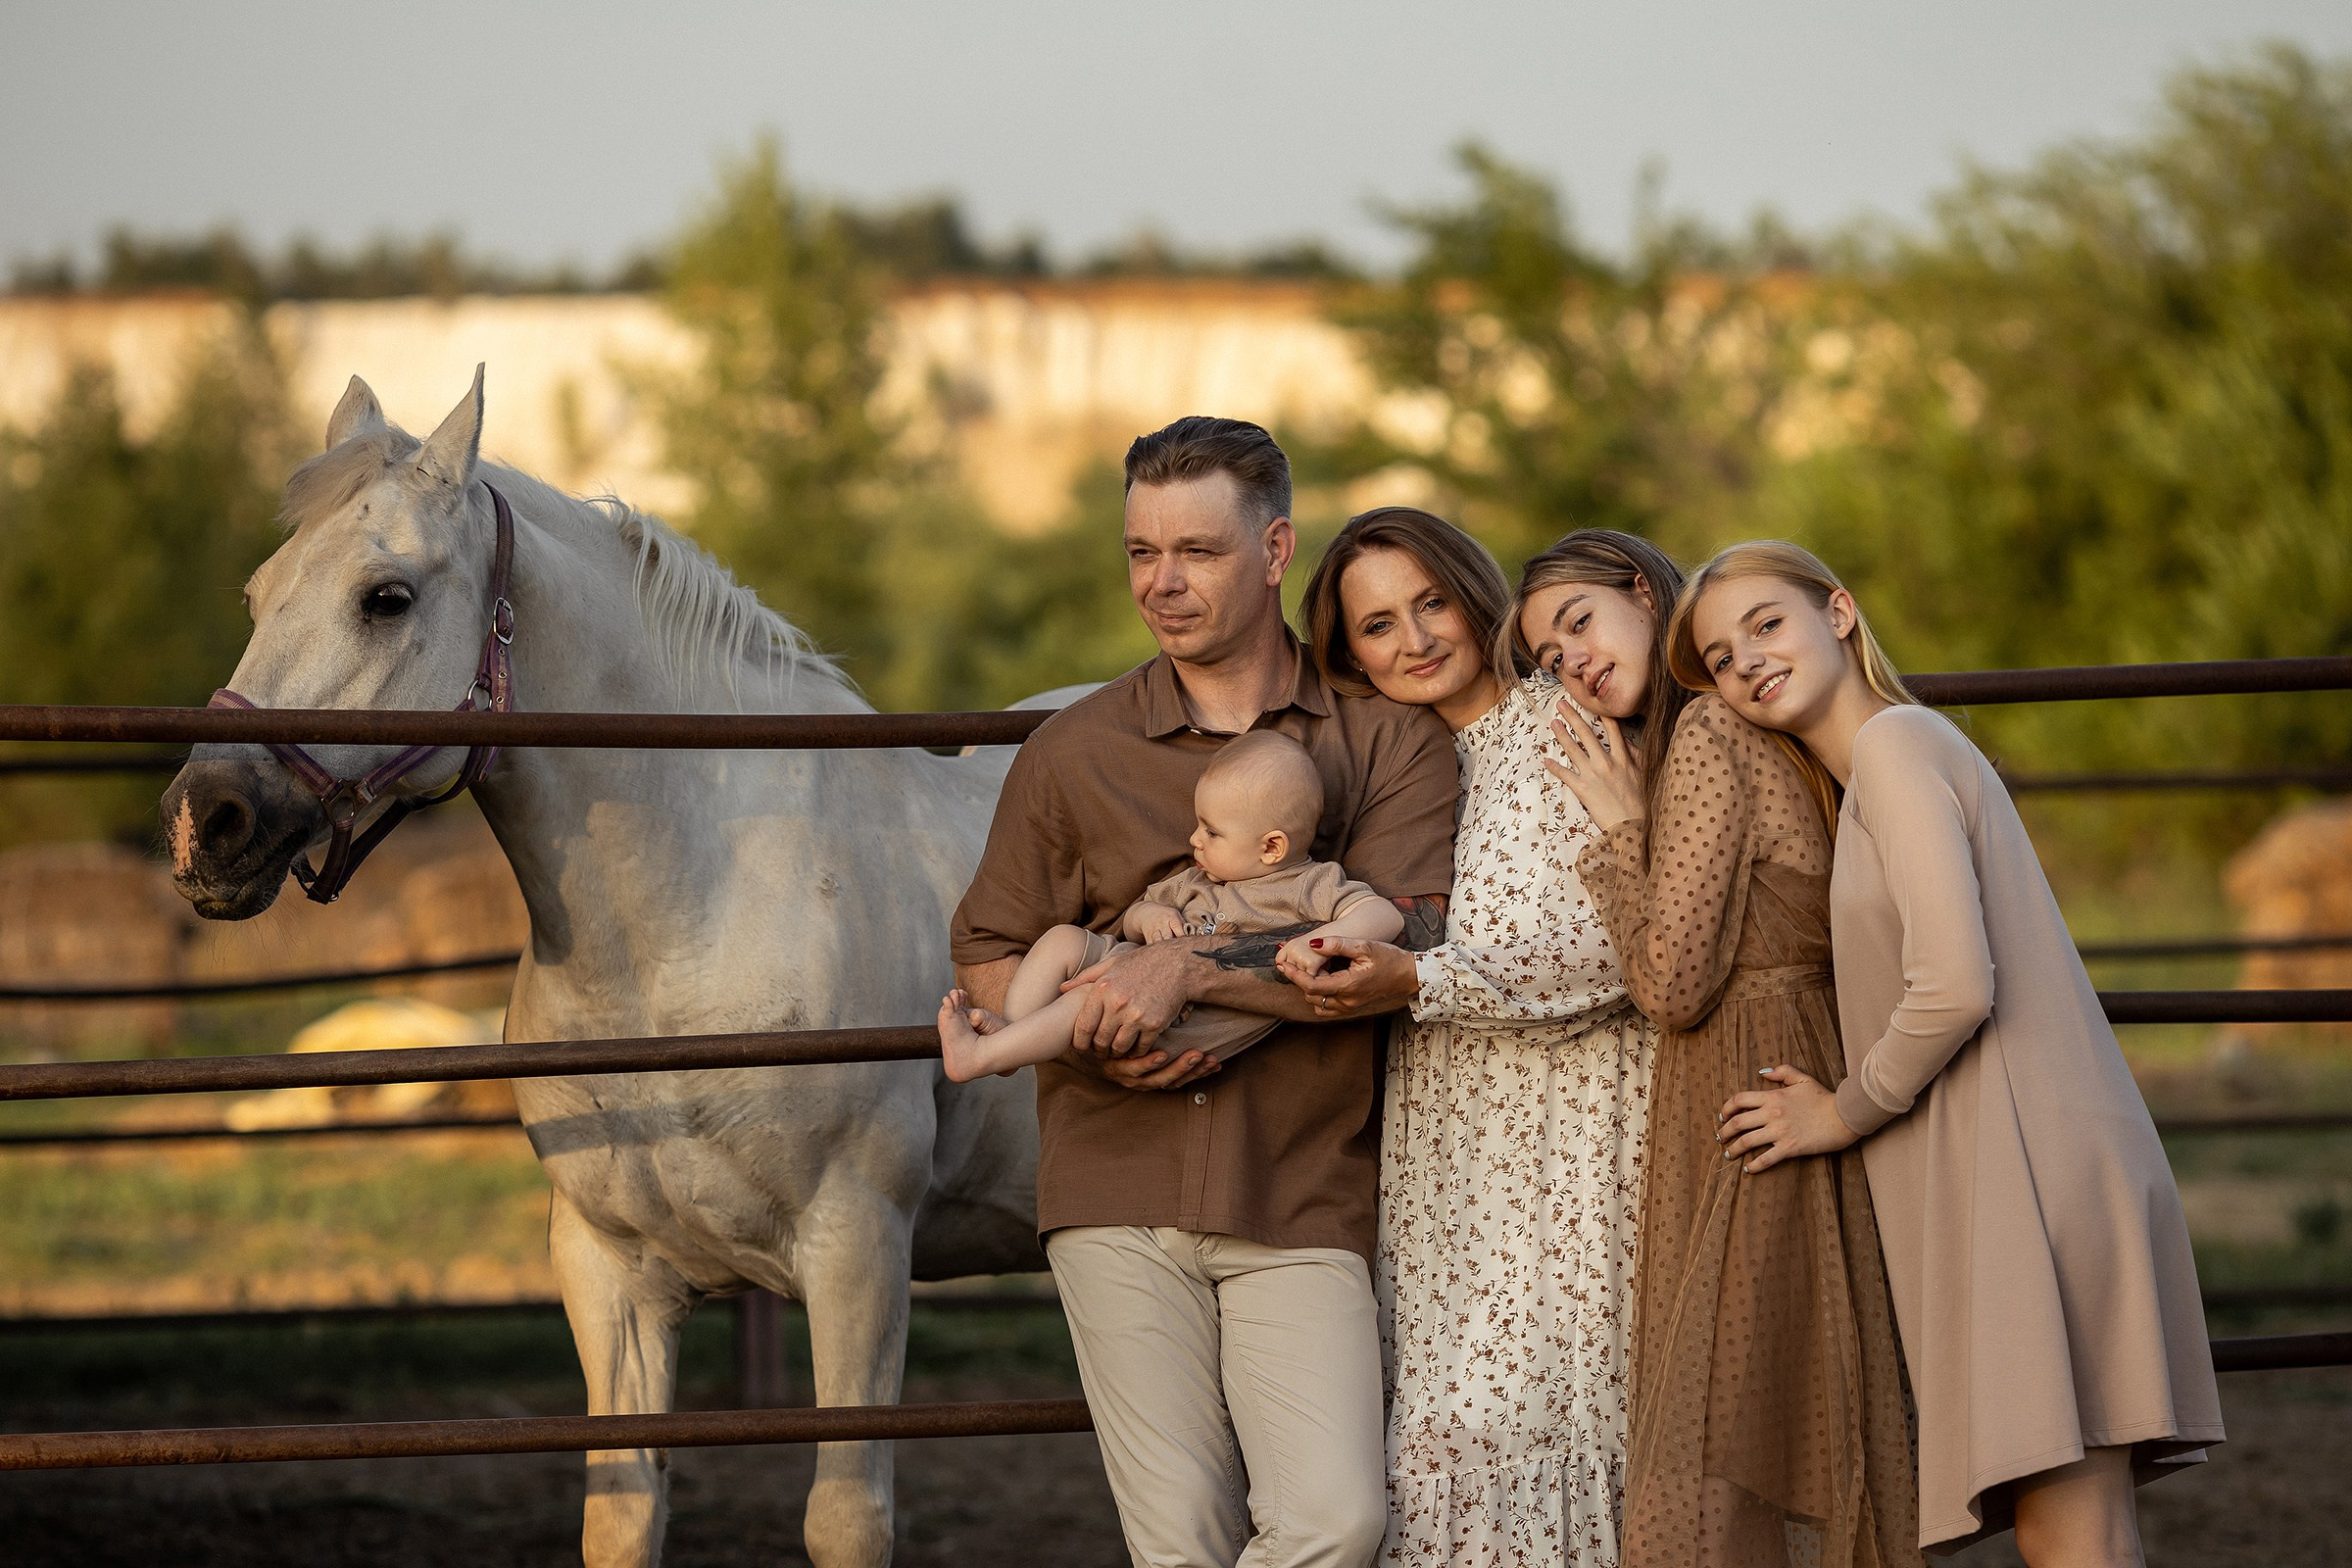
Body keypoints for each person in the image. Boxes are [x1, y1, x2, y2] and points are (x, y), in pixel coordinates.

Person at [949, 418, 1459, 1568]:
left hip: (1304, 1187)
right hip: (1114, 1187)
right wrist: (1091, 1037)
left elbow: (1401, 954)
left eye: (1197, 551)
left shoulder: (1385, 741)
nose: (1162, 583)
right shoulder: (1073, 752)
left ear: (1276, 549)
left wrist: (1177, 965)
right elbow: (987, 948)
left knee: (1337, 1522)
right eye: (1140, 552)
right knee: (1178, 1545)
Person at [1690, 541, 2224, 1565]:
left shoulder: (1894, 748)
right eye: (1719, 655)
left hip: (2024, 1168)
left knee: (2065, 1524)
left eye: (1767, 622)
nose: (1747, 659)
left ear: (1839, 612)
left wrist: (1840, 1109)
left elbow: (1954, 984)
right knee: (2083, 1523)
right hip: (2022, 1159)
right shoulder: (1883, 768)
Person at [1535, 530, 1922, 1568]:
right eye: (1547, 657)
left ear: (1641, 593)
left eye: (1579, 623)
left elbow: (1670, 983)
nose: (1569, 660)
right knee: (1805, 1407)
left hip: (1747, 1079)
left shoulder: (1708, 725)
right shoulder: (1770, 722)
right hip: (1796, 1059)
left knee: (1718, 1432)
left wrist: (1620, 832)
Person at [1278, 508, 1653, 1564]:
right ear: (1348, 652)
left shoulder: (1562, 724)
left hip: (1568, 1140)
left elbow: (1614, 944)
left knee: (1534, 1416)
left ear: (1471, 591)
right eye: (1378, 625)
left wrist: (1418, 976)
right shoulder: (1391, 773)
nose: (1415, 639)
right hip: (1449, 1144)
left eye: (1430, 602)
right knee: (1440, 1427)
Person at [938, 730, 1404, 1081]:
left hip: (1187, 1018)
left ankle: (980, 1058)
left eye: (1211, 831)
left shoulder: (1310, 884)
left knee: (1092, 997)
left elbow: (1386, 915)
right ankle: (1014, 1032)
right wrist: (1151, 917)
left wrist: (1317, 944)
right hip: (1134, 970)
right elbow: (1135, 918)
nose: (1193, 839)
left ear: (1271, 848)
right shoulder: (1197, 879)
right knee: (1063, 939)